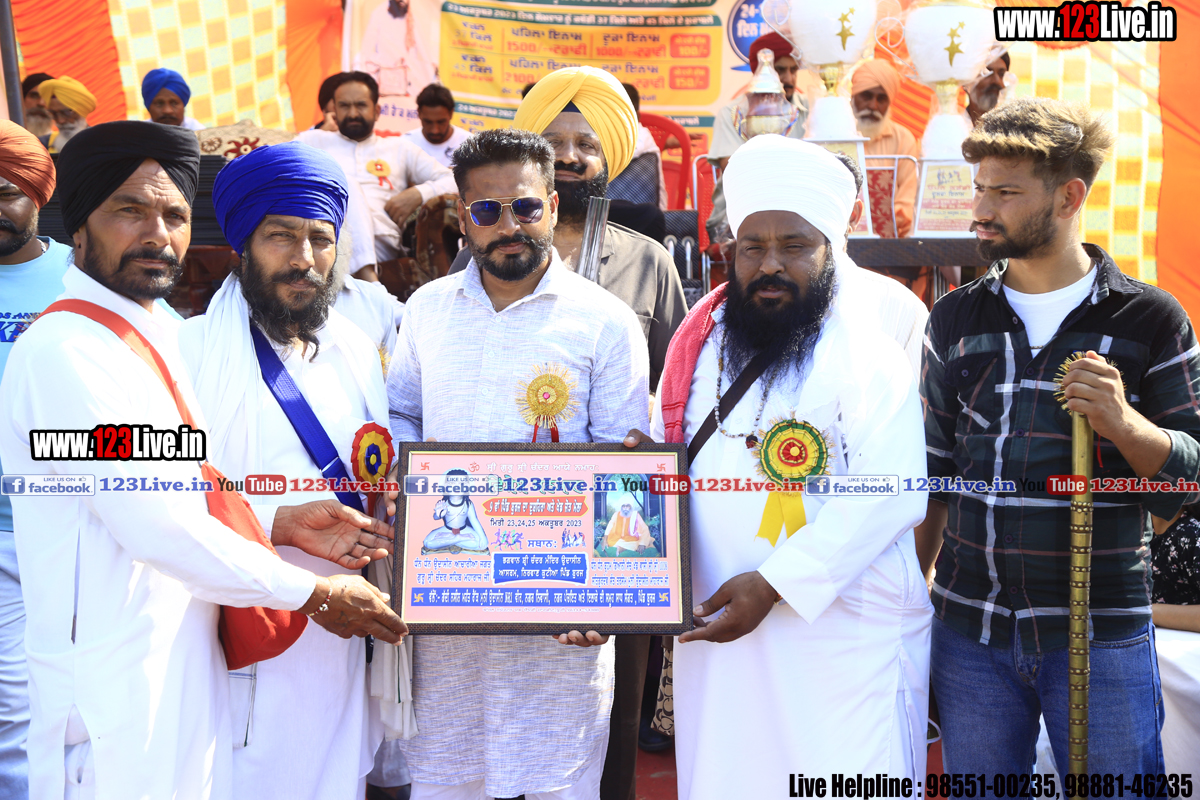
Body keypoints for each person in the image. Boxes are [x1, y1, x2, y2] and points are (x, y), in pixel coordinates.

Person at [0, 120, 405, 799]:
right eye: (130, 211)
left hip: (178, 675)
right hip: (108, 701)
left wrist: (278, 521)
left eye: (174, 216)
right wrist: (313, 593)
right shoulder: (65, 354)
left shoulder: (149, 341)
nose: (156, 234)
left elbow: (183, 489)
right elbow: (155, 523)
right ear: (80, 226)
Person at [642, 134, 931, 798]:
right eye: (753, 247)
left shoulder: (867, 353)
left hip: (840, 638)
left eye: (794, 246)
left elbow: (893, 494)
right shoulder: (700, 342)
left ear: (830, 249)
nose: (770, 264)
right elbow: (668, 453)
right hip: (717, 626)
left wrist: (776, 583)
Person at [918, 97, 1200, 775]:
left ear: (1070, 196)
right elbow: (932, 477)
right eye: (980, 189)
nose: (981, 209)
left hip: (1102, 632)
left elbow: (1188, 481)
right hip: (969, 631)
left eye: (1006, 192)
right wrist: (913, 604)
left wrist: (1124, 423)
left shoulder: (1150, 318)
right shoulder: (953, 318)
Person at [389, 127, 650, 799]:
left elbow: (624, 466)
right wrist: (402, 482)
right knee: (446, 780)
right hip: (446, 611)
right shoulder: (426, 311)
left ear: (553, 207)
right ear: (463, 218)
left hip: (560, 621)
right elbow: (401, 414)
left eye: (526, 207)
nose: (509, 226)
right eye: (487, 210)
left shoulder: (605, 321)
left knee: (557, 782)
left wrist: (609, 597)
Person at [178, 141, 401, 799]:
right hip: (241, 629)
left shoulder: (355, 349)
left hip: (342, 632)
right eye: (281, 236)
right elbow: (161, 499)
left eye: (320, 239)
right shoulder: (189, 352)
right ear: (243, 245)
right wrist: (279, 523)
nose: (304, 258)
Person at [451, 66, 686, 390]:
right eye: (553, 143)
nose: (568, 157)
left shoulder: (649, 263)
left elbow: (680, 379)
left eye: (587, 145)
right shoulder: (481, 256)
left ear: (607, 161)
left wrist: (649, 407)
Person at [0, 119, 70, 799]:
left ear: (37, 196)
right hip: (2, 534)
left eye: (5, 193)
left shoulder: (84, 277)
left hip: (74, 528)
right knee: (15, 712)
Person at [296, 72, 456, 274]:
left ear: (377, 111)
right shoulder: (312, 141)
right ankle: (369, 281)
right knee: (346, 184)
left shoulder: (399, 148)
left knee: (347, 184)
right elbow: (273, 167)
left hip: (380, 239)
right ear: (334, 110)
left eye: (361, 105)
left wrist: (419, 193)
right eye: (344, 106)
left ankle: (362, 276)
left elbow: (455, 179)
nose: (353, 113)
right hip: (323, 236)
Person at [707, 33, 810, 173]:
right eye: (780, 70)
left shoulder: (811, 107)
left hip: (797, 184)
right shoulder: (730, 113)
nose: (789, 79)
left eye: (793, 70)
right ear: (759, 73)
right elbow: (734, 171)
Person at [850, 60, 920, 238]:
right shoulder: (836, 135)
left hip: (890, 242)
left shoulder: (903, 139)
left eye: (881, 99)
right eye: (866, 96)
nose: (873, 106)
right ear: (853, 96)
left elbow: (906, 203)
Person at [354, 0, 435, 99]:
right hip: (385, 76)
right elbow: (366, 49)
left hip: (409, 79)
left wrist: (430, 69)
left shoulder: (413, 18)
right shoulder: (378, 14)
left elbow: (424, 51)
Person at [606, 83, 667, 211]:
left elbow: (628, 152)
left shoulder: (642, 134)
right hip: (611, 212)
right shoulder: (606, 136)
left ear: (637, 117)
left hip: (648, 213)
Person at [401, 84, 471, 168]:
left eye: (441, 122)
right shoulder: (404, 144)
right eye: (428, 122)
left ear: (451, 113)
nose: (435, 130)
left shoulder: (471, 146)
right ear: (419, 113)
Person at [35, 76, 95, 153]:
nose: (60, 121)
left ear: (82, 110)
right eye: (53, 113)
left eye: (68, 112)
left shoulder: (103, 142)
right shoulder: (41, 145)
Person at [966, 51, 1011, 127]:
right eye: (987, 73)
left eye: (1001, 74)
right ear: (968, 81)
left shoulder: (1010, 128)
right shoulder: (953, 125)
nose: (996, 81)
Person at [20, 72, 55, 138]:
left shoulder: (58, 143)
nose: (41, 103)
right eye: (34, 96)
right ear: (21, 99)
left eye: (47, 98)